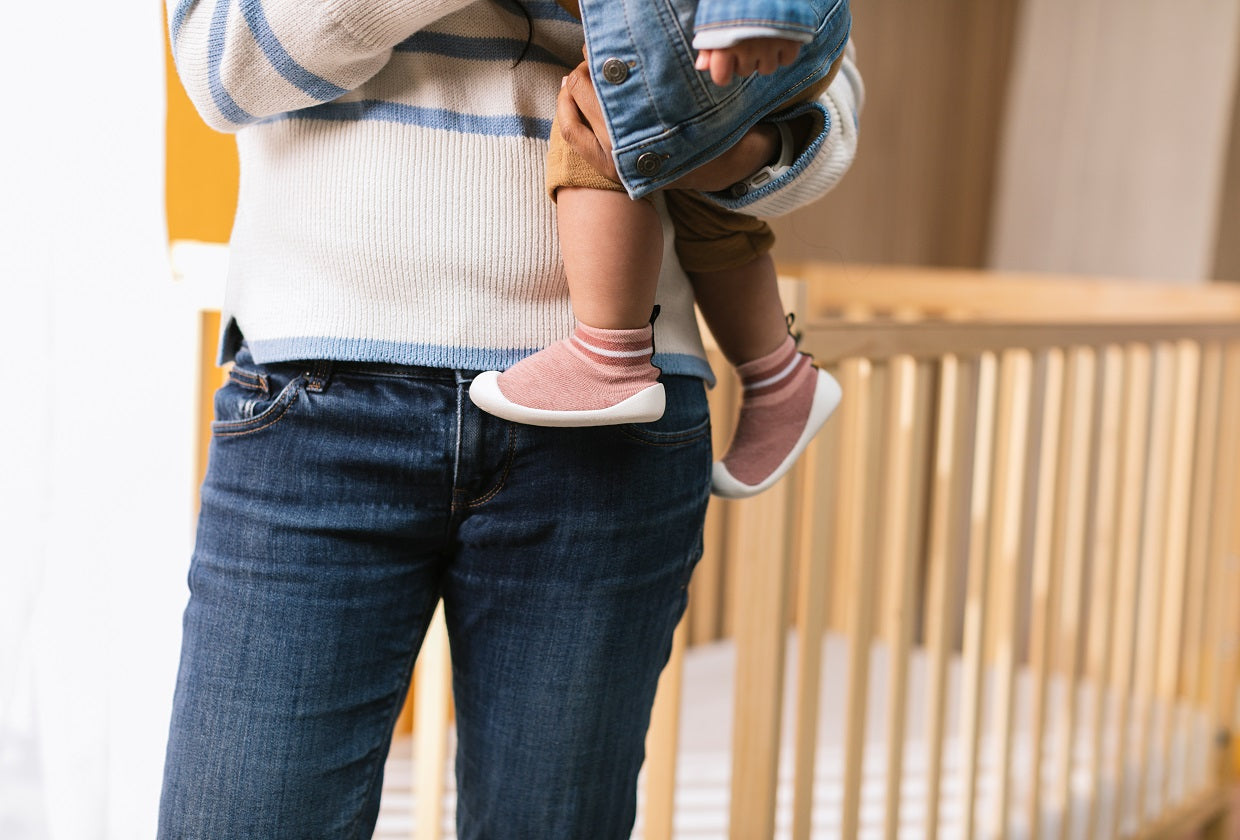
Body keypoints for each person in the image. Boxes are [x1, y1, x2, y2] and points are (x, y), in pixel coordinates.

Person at [160, 0, 862, 837]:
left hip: (616, 424)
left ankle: (753, 368)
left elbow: (820, 81)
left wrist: (715, 143)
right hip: (316, 398)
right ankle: (769, 372)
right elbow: (223, 67)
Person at [469, 0, 850, 498]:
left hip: (725, 25)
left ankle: (610, 360)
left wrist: (759, 10)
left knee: (596, 129)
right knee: (693, 190)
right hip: (750, 33)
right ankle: (778, 376)